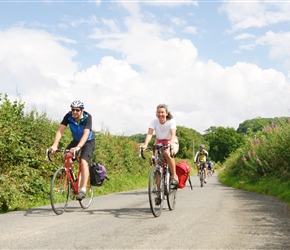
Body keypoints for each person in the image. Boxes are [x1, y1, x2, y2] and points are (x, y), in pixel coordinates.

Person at [50, 100, 95, 201]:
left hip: (87, 141)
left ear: (82, 110)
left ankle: (83, 189)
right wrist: (55, 144)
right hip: (76, 140)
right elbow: (60, 131)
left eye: (77, 110)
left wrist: (78, 147)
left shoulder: (87, 117)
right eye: (73, 109)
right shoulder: (68, 116)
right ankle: (73, 179)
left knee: (83, 161)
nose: (74, 112)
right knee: (66, 156)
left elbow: (86, 134)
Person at [142, 104, 179, 185]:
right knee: (156, 161)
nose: (160, 114)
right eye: (158, 112)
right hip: (159, 142)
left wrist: (171, 144)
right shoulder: (154, 121)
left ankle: (174, 176)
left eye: (162, 112)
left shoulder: (171, 121)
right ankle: (158, 191)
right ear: (156, 114)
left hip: (171, 141)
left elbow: (173, 134)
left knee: (166, 153)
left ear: (166, 113)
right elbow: (149, 134)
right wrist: (145, 144)